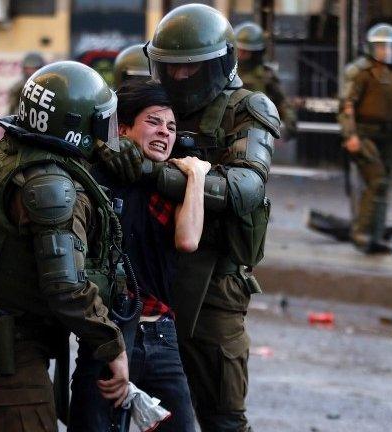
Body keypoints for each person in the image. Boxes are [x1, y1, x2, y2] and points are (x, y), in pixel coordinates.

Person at [101, 4, 279, 431]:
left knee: (222, 412)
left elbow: (245, 188)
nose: (180, 78)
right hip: (145, 270)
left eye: (192, 69)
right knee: (135, 407)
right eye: (171, 68)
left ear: (219, 63)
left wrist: (154, 171)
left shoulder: (247, 108)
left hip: (215, 279)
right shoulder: (155, 103)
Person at [0, 60, 129, 432]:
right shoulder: (51, 188)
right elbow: (66, 287)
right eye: (99, 123)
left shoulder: (14, 151)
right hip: (4, 344)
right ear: (76, 128)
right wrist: (113, 345)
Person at [69, 80, 209, 432]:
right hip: (110, 334)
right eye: (154, 122)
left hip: (161, 334)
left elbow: (188, 239)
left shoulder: (172, 183)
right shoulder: (97, 178)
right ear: (124, 128)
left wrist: (196, 176)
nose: (164, 132)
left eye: (172, 126)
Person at [339, 23, 392, 254]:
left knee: (382, 186)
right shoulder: (360, 72)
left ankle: (375, 234)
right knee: (377, 182)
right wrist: (350, 134)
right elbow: (347, 105)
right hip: (363, 135)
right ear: (372, 48)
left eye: (391, 48)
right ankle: (363, 235)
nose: (387, 52)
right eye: (382, 47)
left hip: (387, 136)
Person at [234, 21, 296, 136]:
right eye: (239, 50)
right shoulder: (227, 72)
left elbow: (281, 101)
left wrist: (290, 121)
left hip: (256, 132)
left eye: (245, 51)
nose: (241, 54)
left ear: (255, 53)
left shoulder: (265, 75)